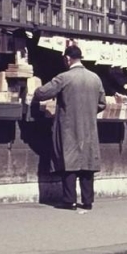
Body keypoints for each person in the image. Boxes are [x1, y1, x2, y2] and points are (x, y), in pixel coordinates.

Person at [33, 45, 106, 213]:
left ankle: (69, 201)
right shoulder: (95, 78)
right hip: (89, 127)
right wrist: (88, 112)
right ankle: (87, 201)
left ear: (67, 59)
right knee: (87, 163)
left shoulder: (64, 77)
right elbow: (102, 103)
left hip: (69, 127)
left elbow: (42, 93)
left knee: (69, 163)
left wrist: (33, 88)